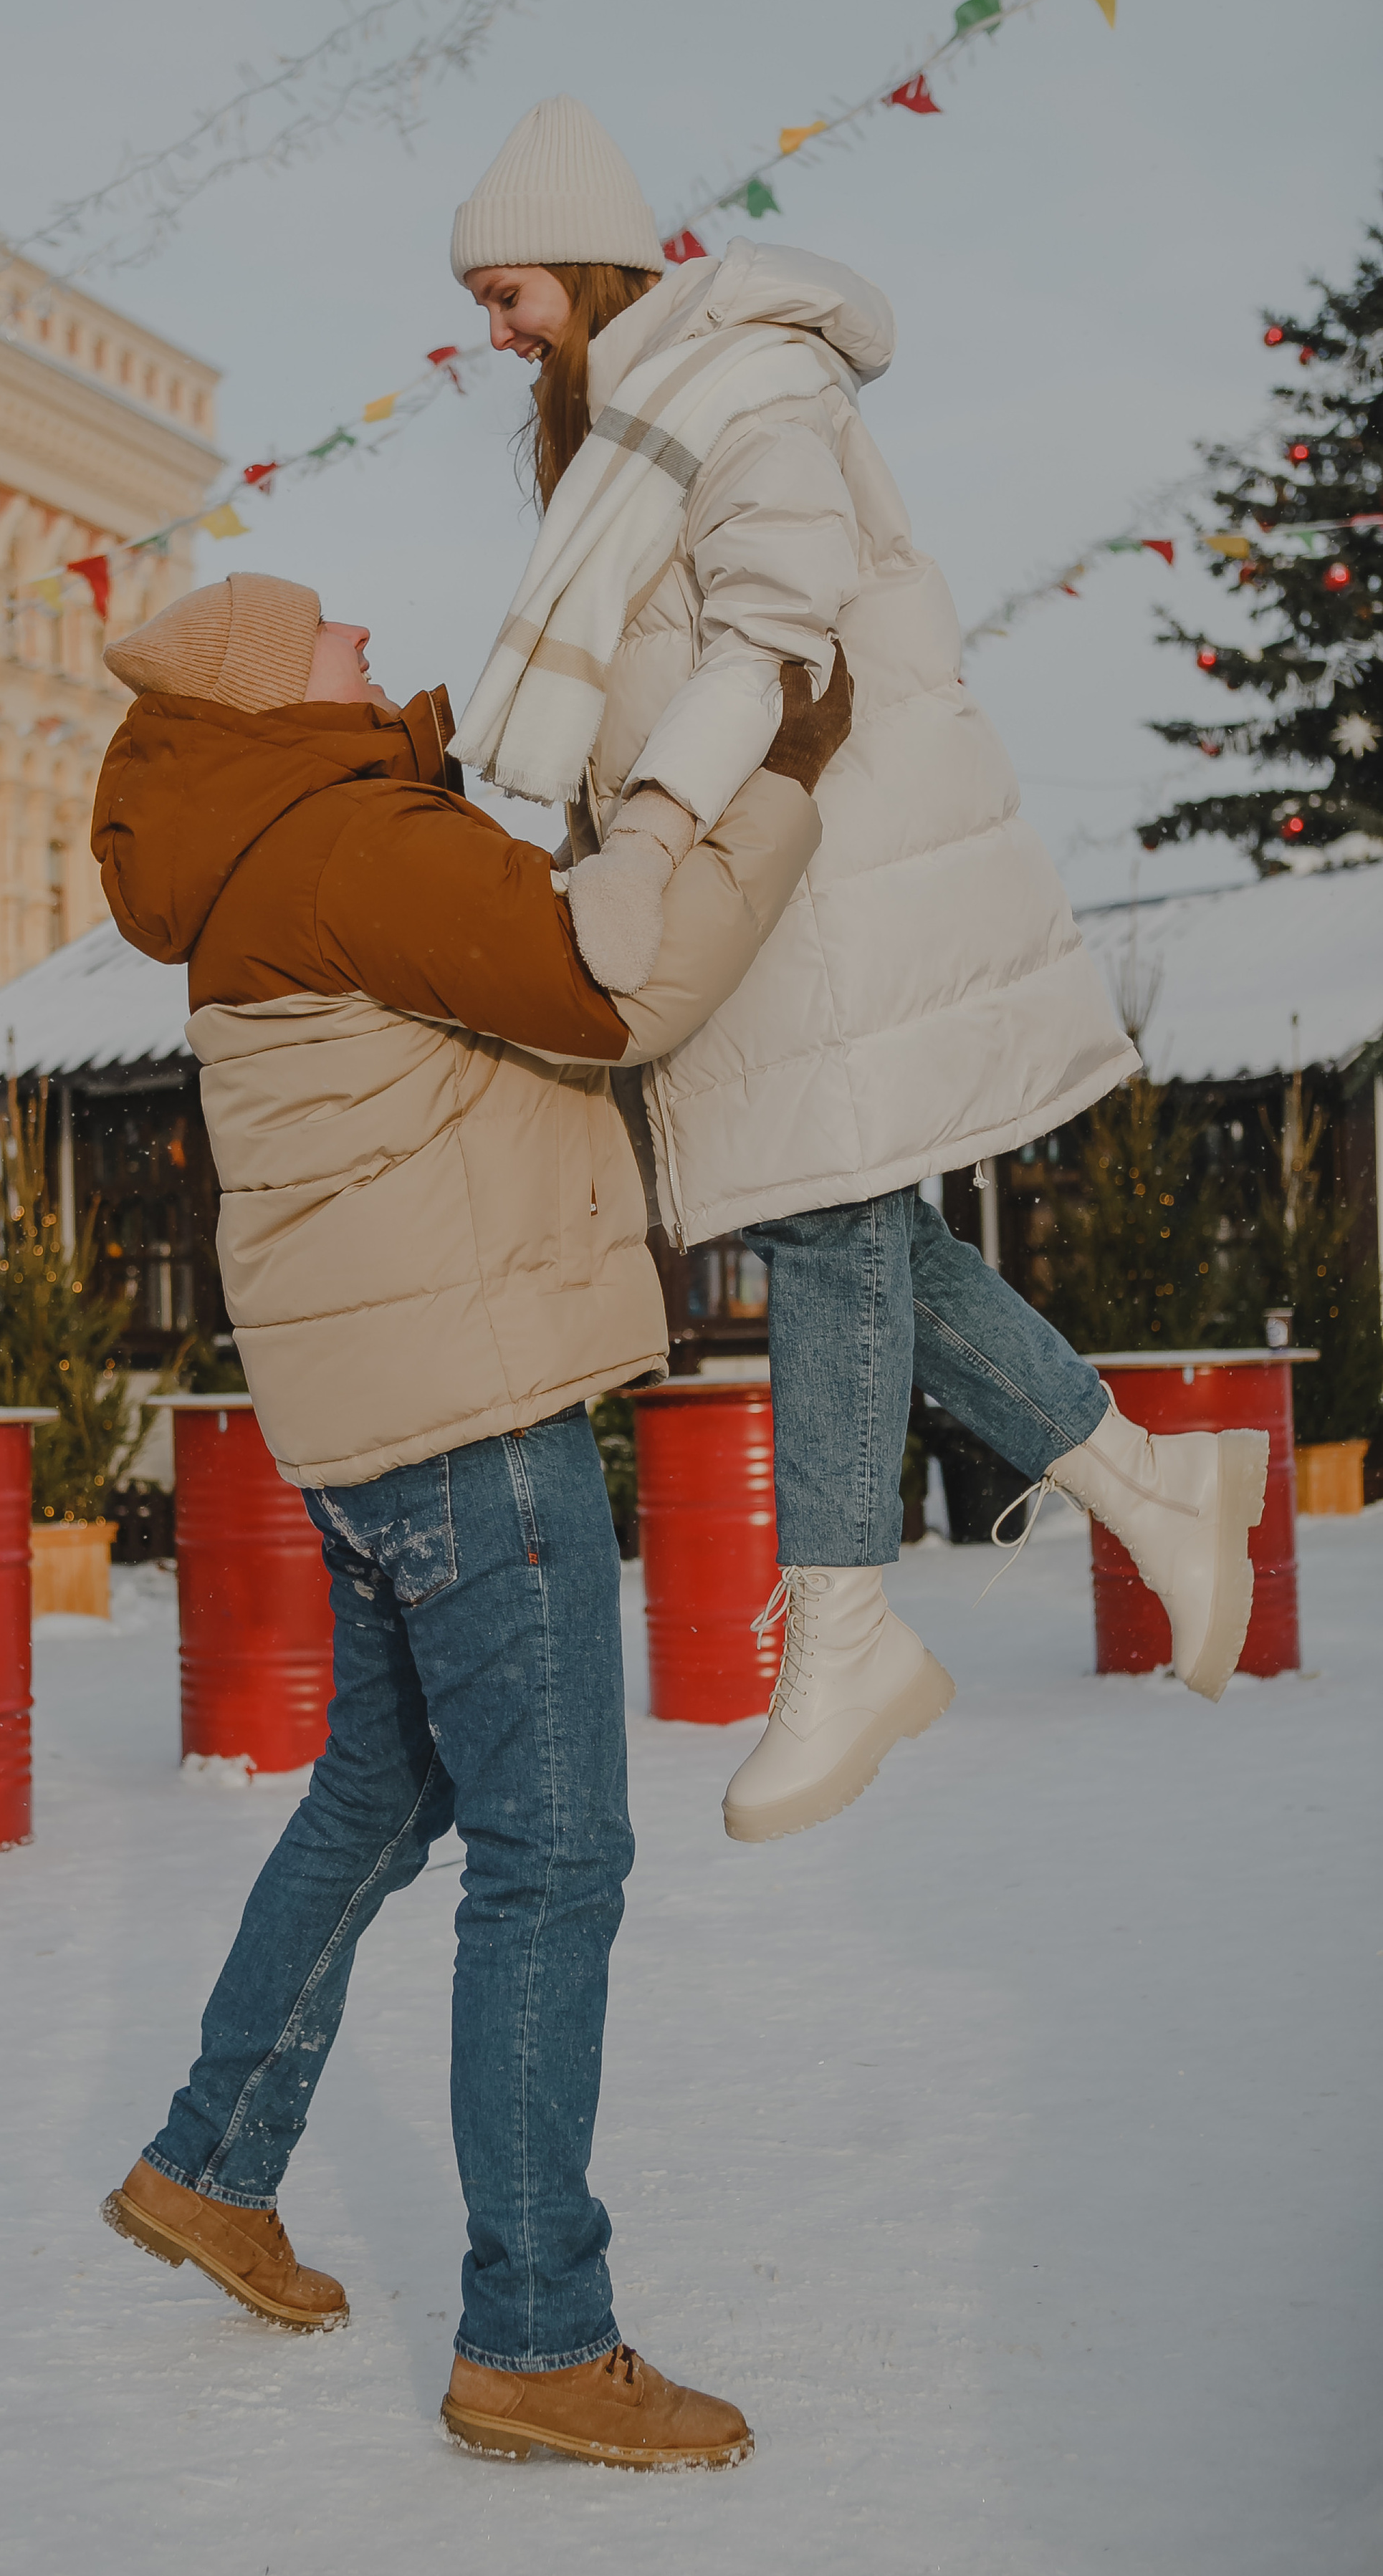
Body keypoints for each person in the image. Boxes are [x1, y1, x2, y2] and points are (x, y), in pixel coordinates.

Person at [87, 568, 848, 2466]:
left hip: (367, 1419)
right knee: (554, 1859)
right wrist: (773, 781)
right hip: (474, 1410)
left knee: (385, 1789)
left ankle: (212, 2160)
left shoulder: (260, 852)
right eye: (325, 627)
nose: (361, 629)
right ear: (275, 691)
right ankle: (532, 2331)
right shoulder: (349, 835)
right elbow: (616, 987)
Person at [450, 97, 1271, 1845]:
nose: (491, 329)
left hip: (813, 864)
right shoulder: (633, 428)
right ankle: (1147, 1485)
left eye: (507, 288)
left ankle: (844, 1621)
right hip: (757, 869)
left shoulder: (748, 388)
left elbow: (769, 635)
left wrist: (653, 838)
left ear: (585, 264)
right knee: (853, 1222)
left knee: (826, 1217)